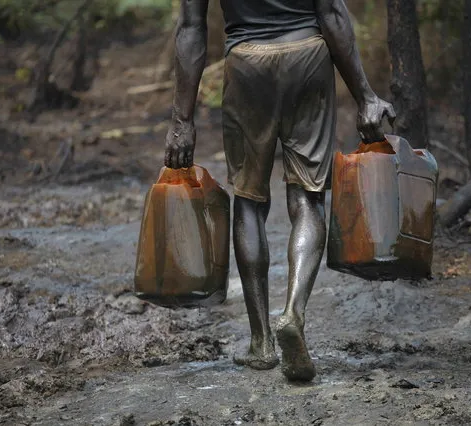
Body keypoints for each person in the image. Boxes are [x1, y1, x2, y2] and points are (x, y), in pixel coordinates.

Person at [164, 0, 396, 381]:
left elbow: (192, 28)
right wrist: (366, 95)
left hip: (247, 65)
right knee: (308, 197)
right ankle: (293, 314)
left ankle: (261, 343)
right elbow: (333, 15)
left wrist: (182, 119)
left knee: (249, 202)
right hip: (308, 57)